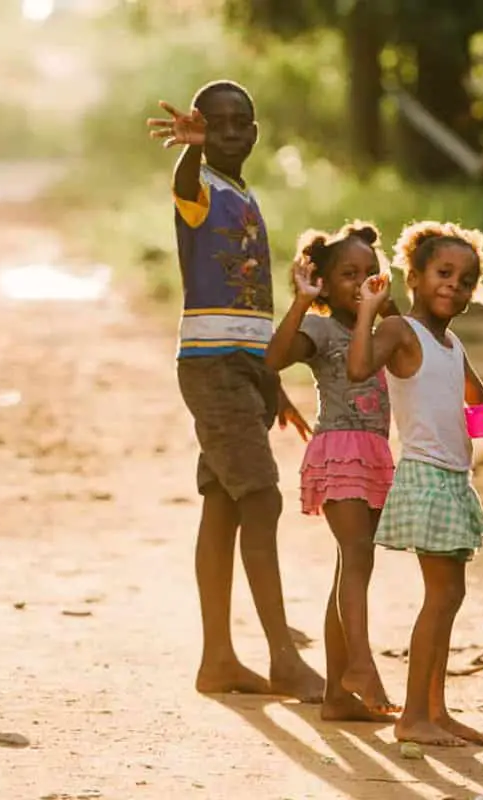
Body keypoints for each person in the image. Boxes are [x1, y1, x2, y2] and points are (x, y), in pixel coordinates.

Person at [146, 80, 324, 701]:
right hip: (211, 366)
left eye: (236, 122)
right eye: (211, 122)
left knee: (223, 501)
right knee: (262, 500)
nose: (225, 132)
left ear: (254, 132)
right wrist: (189, 149)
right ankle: (283, 657)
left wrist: (271, 382)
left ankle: (218, 660)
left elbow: (249, 304)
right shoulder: (197, 191)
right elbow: (187, 179)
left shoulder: (246, 195)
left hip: (242, 367)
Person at [345, 220, 483, 748]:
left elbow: (473, 412)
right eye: (444, 273)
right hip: (425, 476)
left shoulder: (451, 345)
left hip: (453, 477)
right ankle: (415, 717)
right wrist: (366, 313)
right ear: (415, 277)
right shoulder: (402, 333)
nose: (455, 285)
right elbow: (359, 367)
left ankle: (434, 711)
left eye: (466, 280)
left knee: (448, 595)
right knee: (442, 594)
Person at [264, 221, 401, 721]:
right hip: (338, 448)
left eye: (371, 272)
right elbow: (273, 359)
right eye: (349, 273)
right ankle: (360, 664)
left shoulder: (383, 327)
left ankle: (337, 698)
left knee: (351, 566)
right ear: (324, 280)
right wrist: (302, 302)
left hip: (376, 455)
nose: (362, 281)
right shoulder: (321, 328)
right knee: (356, 553)